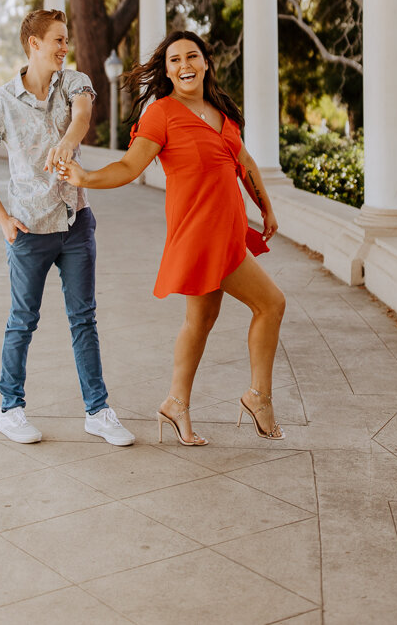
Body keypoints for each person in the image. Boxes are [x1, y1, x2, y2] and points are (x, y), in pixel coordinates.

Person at [58, 30, 285, 445]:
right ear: (167, 71)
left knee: (200, 321)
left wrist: (266, 207)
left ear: (206, 62)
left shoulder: (221, 110)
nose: (185, 66)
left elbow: (245, 162)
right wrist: (86, 176)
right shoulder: (161, 113)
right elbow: (129, 166)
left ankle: (176, 403)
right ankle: (259, 397)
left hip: (229, 230)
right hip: (201, 235)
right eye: (175, 60)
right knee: (270, 303)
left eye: (192, 57)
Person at [0, 8, 134, 447]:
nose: (65, 47)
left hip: (76, 221)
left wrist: (66, 142)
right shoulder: (2, 101)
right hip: (29, 230)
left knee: (84, 319)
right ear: (34, 44)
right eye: (57, 40)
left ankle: (98, 412)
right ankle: (10, 408)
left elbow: (81, 117)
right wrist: (3, 219)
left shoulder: (75, 81)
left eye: (66, 40)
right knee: (23, 320)